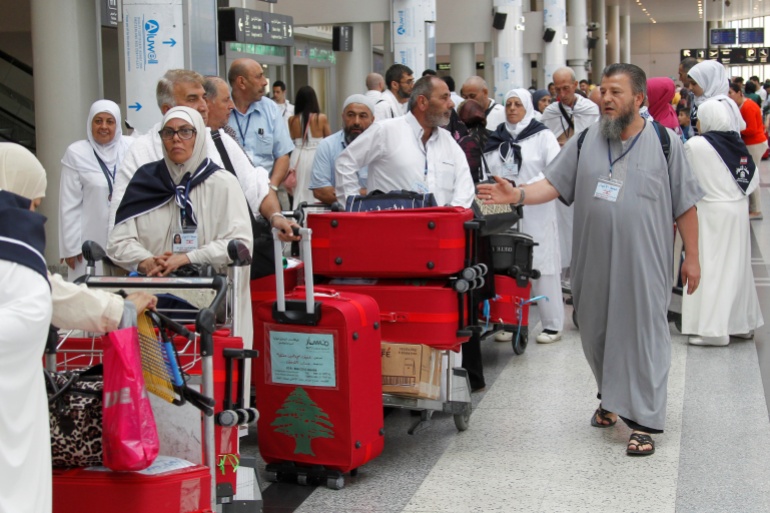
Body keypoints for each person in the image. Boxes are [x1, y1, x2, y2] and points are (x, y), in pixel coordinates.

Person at [477, 63, 704, 456]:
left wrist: (693, 259)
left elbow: (686, 206)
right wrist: (516, 195)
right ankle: (613, 399)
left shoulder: (666, 143)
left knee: (643, 336)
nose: (606, 98)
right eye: (603, 90)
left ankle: (645, 420)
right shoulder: (584, 142)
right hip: (592, 260)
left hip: (644, 263)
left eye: (616, 92)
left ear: (638, 99)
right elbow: (552, 183)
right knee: (596, 331)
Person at [0, 143, 155, 513]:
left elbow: (54, 293)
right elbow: (39, 297)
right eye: (34, 202)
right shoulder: (18, 270)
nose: (36, 212)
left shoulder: (18, 262)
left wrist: (118, 308)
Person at [108, 107, 253, 371]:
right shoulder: (145, 182)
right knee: (154, 379)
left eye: (186, 131)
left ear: (199, 137)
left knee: (202, 381)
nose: (176, 138)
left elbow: (240, 243)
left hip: (210, 307)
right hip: (150, 304)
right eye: (169, 132)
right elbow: (118, 242)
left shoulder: (223, 184)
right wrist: (145, 261)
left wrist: (186, 258)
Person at [110, 69, 293, 243]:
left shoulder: (220, 140)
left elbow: (256, 187)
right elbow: (121, 218)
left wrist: (276, 217)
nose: (203, 106)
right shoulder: (142, 151)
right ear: (167, 109)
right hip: (159, 265)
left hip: (219, 263)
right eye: (192, 99)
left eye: (203, 98)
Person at [483, 89, 564, 344]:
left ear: (527, 107)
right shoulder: (496, 138)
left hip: (535, 205)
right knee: (507, 264)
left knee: (542, 264)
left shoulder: (542, 136)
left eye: (518, 104)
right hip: (505, 211)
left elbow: (555, 170)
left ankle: (552, 323)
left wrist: (524, 188)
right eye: (508, 104)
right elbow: (487, 169)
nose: (512, 108)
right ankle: (509, 320)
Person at [681, 100, 764, 346]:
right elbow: (752, 180)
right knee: (736, 268)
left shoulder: (696, 145)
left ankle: (714, 331)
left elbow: (685, 178)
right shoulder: (737, 145)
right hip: (737, 211)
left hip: (709, 212)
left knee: (712, 267)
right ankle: (740, 324)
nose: (697, 122)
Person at [335, 75, 474, 208]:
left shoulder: (448, 140)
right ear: (422, 102)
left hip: (438, 228)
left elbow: (465, 185)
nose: (451, 104)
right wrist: (353, 207)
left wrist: (452, 214)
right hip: (392, 229)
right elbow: (346, 163)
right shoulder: (386, 131)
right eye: (444, 98)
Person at [59, 100, 134, 281]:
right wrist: (71, 247)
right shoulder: (76, 153)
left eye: (110, 121)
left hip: (127, 235)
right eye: (98, 121)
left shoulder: (131, 147)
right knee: (89, 295)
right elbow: (68, 203)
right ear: (90, 123)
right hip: (89, 239)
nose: (104, 127)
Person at [541, 66, 601, 290]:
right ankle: (563, 269)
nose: (562, 94)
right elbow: (547, 140)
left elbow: (594, 139)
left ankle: (581, 270)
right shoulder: (550, 112)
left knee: (583, 223)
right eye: (558, 89)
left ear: (576, 86)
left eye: (566, 88)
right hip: (561, 173)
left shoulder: (590, 109)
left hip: (585, 173)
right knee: (563, 225)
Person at [227, 59, 295, 206]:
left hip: (264, 196)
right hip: (229, 197)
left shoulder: (270, 109)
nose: (265, 82)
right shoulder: (221, 110)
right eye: (259, 77)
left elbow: (283, 155)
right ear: (241, 82)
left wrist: (272, 187)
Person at [309, 94, 373, 205]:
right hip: (338, 216)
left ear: (373, 119)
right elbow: (320, 191)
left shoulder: (381, 147)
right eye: (351, 115)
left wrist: (343, 194)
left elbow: (388, 192)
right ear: (343, 117)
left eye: (363, 116)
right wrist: (369, 194)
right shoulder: (327, 145)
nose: (356, 122)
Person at [728, 81, 768, 221]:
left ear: (739, 93)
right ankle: (753, 208)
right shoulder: (742, 106)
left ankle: (756, 210)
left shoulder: (748, 107)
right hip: (752, 143)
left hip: (755, 143)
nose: (729, 96)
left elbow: (751, 129)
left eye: (731, 93)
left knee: (752, 176)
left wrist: (733, 131)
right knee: (751, 174)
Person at [287, 85, 331, 209]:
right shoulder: (321, 118)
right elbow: (329, 138)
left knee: (299, 190)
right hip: (316, 155)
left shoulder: (292, 120)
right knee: (316, 189)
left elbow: (292, 139)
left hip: (298, 156)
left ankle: (299, 215)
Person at [687, 60, 746, 134]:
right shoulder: (700, 100)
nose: (690, 87)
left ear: (708, 82)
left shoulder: (716, 104)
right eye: (689, 83)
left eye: (694, 83)